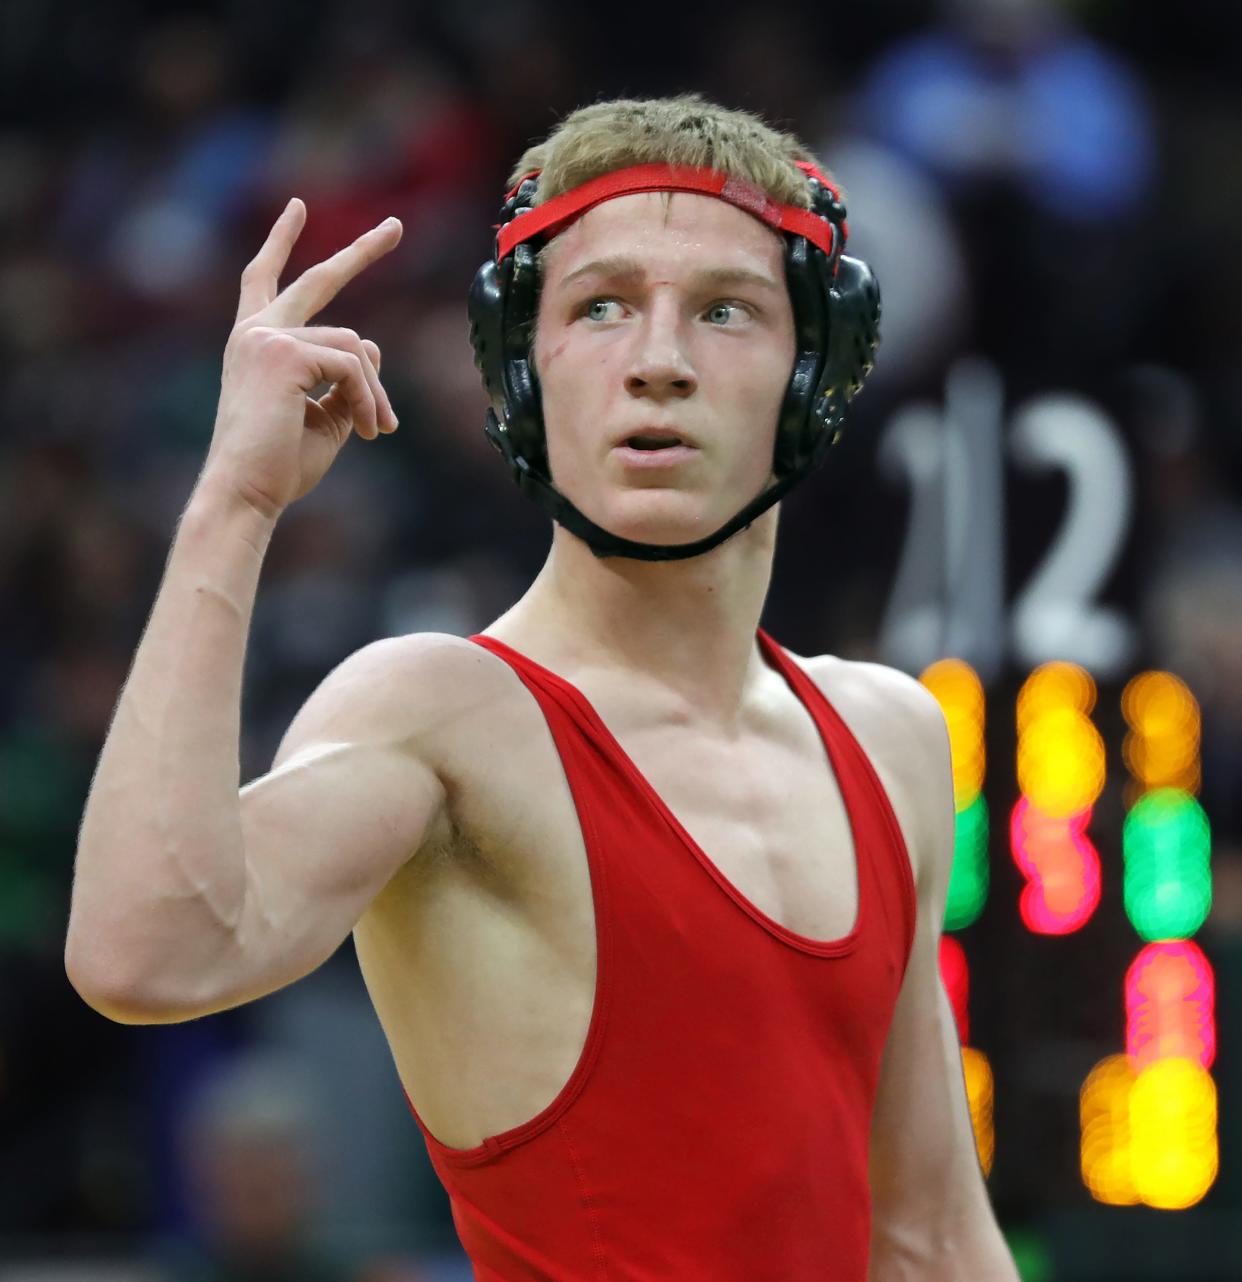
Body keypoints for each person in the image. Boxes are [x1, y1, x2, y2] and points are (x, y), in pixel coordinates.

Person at [67, 95, 1019, 1279]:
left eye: (725, 311)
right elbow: (146, 956)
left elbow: (930, 1237)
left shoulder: (891, 737)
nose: (658, 363)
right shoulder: (445, 715)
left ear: (813, 373)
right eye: (601, 306)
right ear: (525, 374)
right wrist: (234, 504)